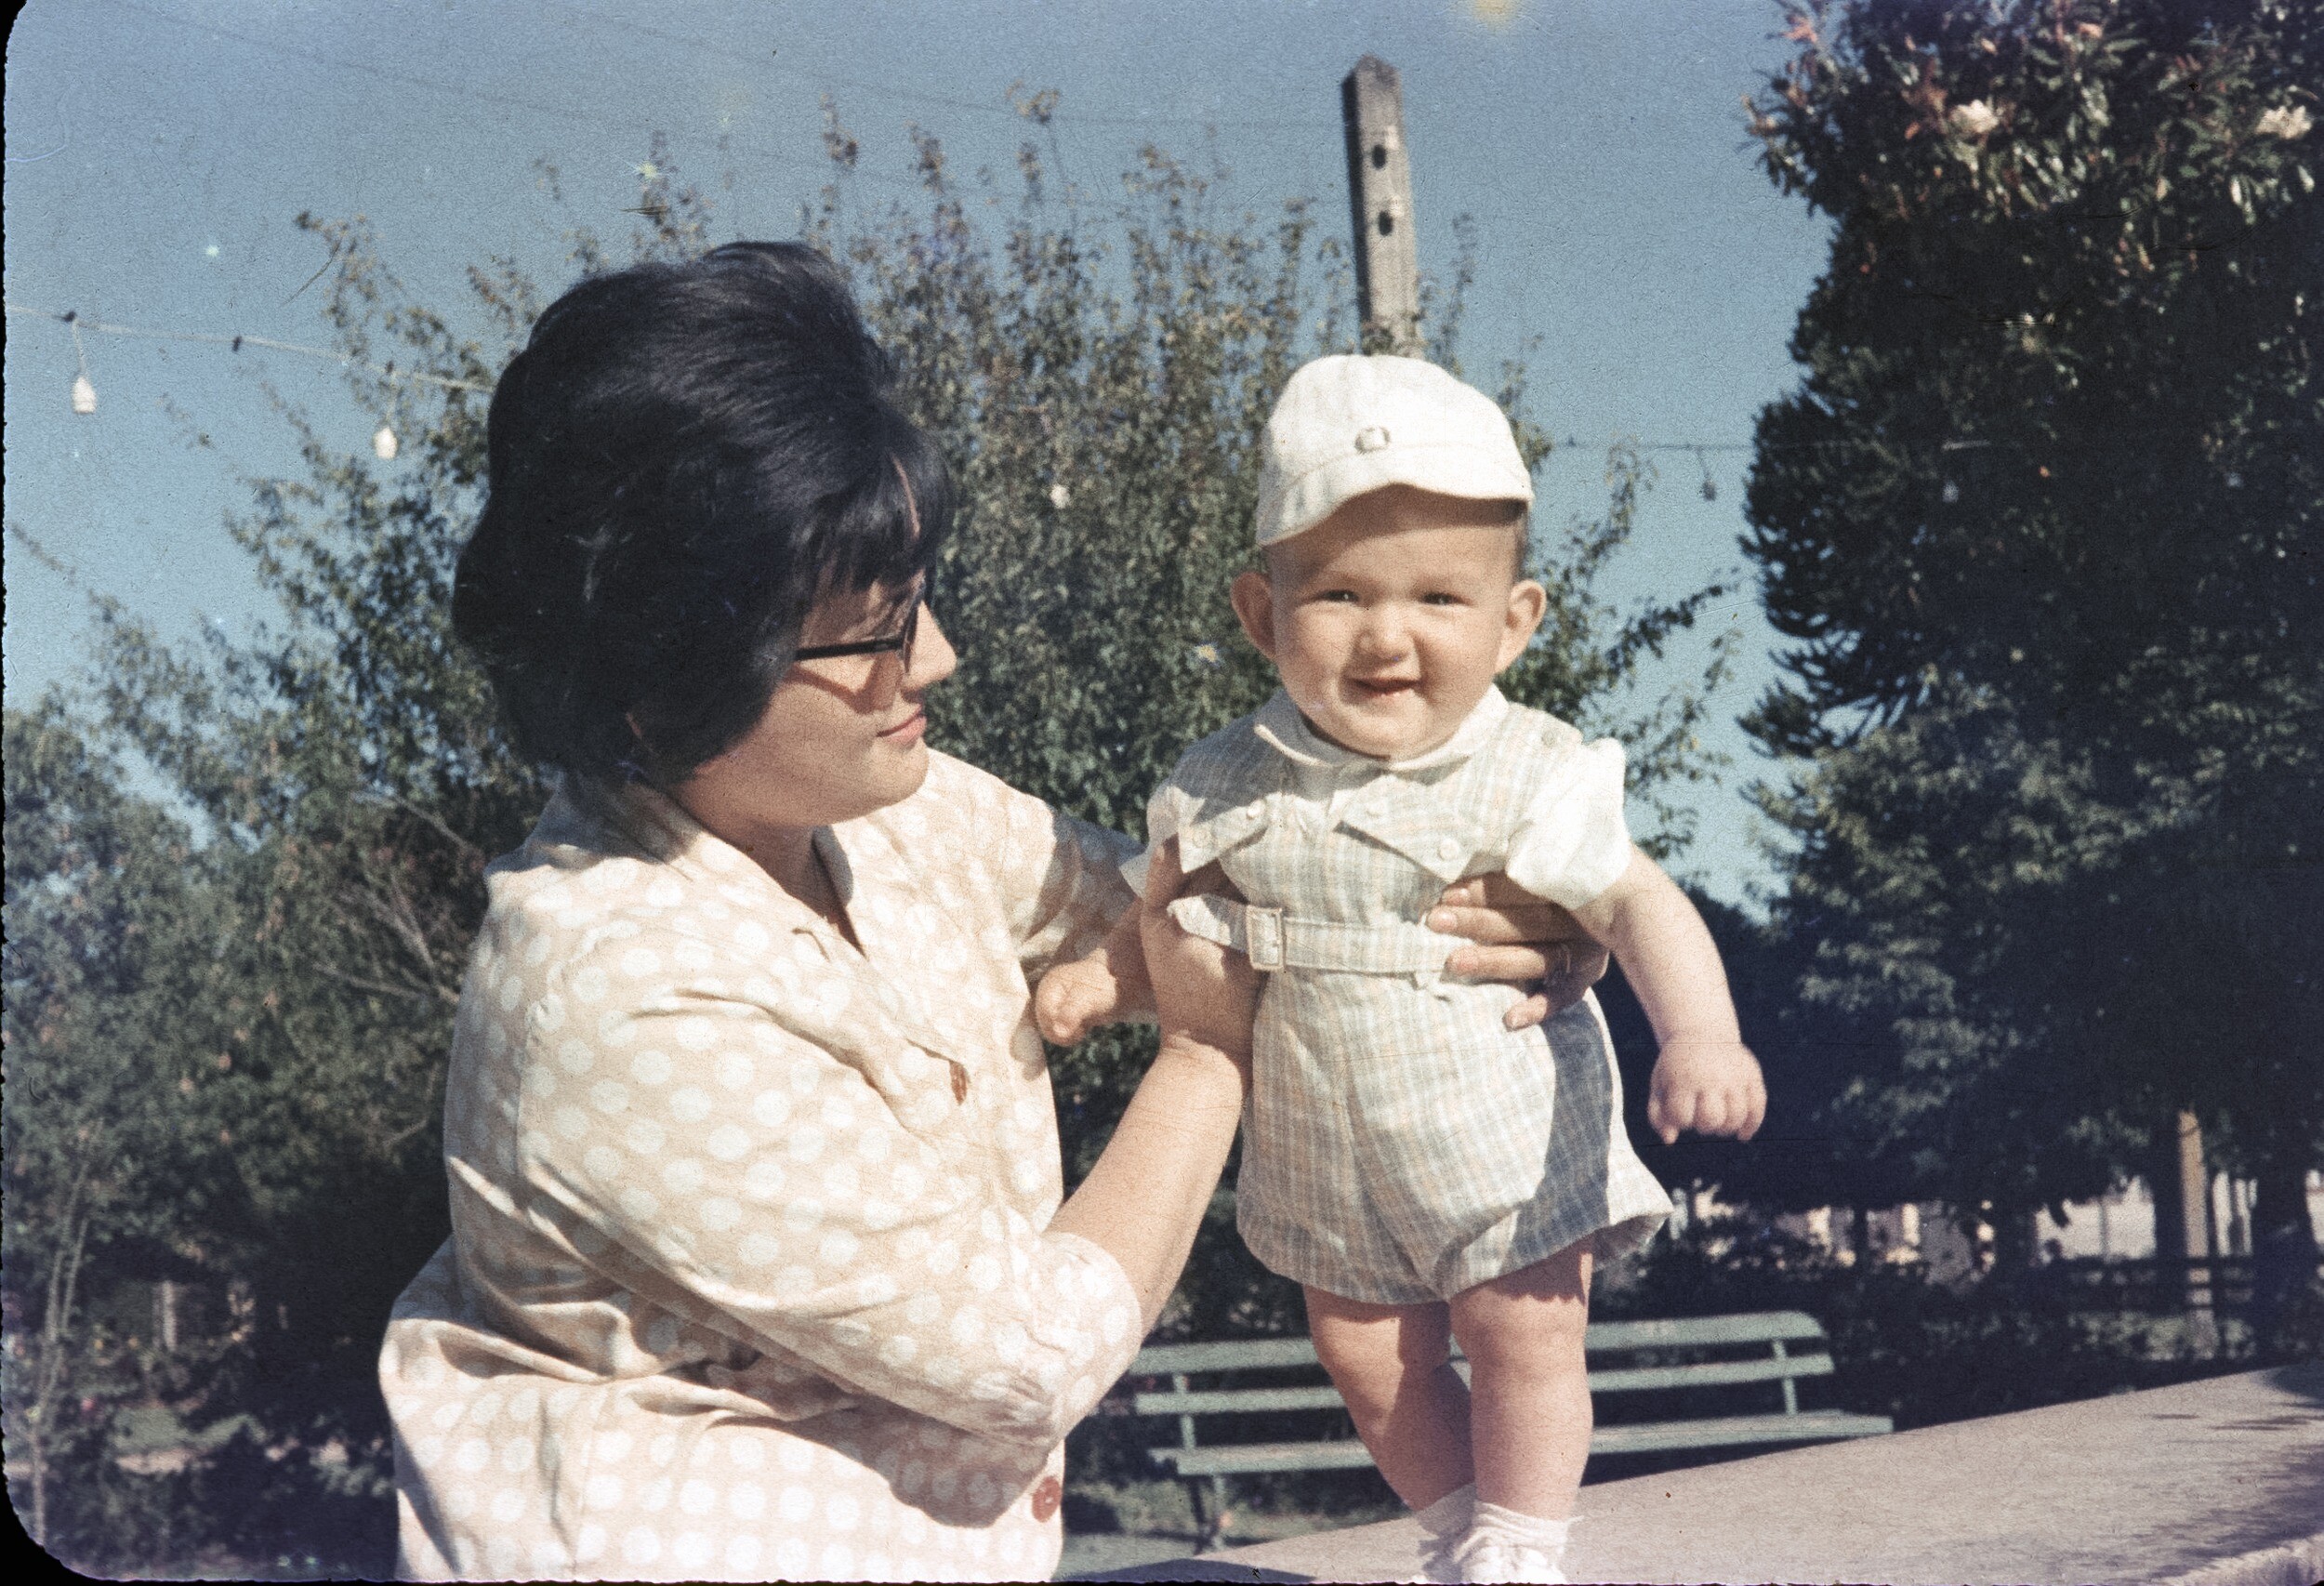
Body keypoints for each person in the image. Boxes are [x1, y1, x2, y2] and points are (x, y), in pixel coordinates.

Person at [378, 245, 1600, 1583]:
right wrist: (1204, 1055)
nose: (938, 660)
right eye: (874, 633)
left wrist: (1521, 904)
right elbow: (1022, 1353)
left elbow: (1203, 897)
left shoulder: (884, 808)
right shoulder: (613, 990)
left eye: (919, 602)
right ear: (671, 667)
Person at [1038, 354, 1769, 1583]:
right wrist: (1105, 980)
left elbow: (1638, 901)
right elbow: (1169, 905)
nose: (1387, 635)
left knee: (1522, 1334)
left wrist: (1699, 1032)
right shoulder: (1223, 778)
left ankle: (1526, 1543)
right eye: (1337, 595)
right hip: (1325, 1141)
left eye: (1440, 595)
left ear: (1513, 621)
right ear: (1263, 615)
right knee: (1365, 1357)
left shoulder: (1531, 769)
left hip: (1499, 1122)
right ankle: (1455, 1528)